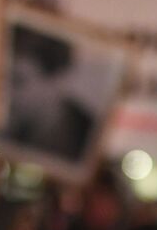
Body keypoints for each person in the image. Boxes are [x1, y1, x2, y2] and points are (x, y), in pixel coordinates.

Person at [6, 25, 94, 159]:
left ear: (57, 80)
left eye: (17, 81)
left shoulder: (89, 136)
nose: (7, 93)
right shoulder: (9, 132)